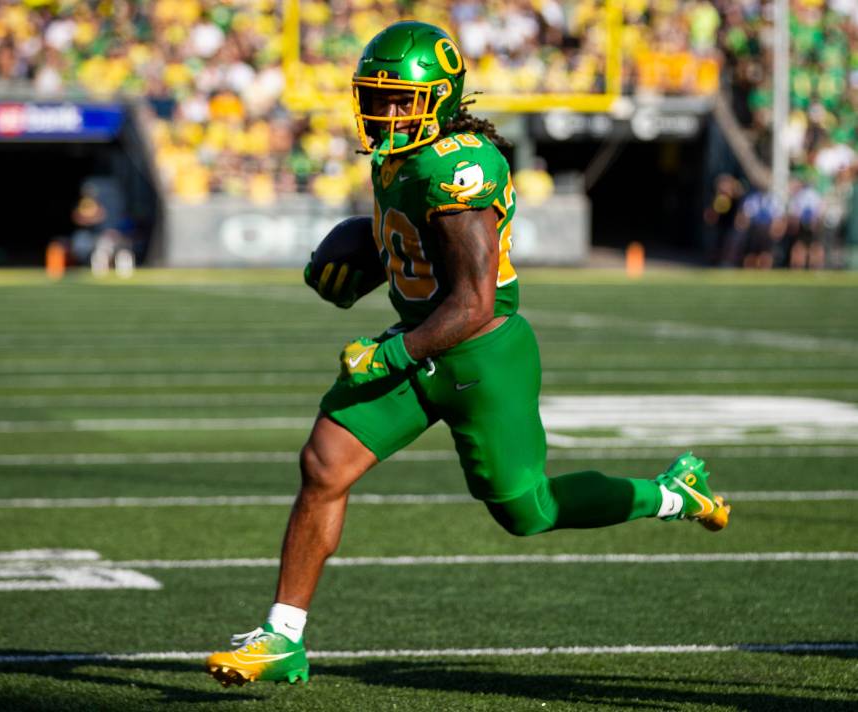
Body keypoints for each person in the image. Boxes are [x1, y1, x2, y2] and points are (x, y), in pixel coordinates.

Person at [206, 21, 731, 688]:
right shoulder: (399, 156)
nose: (384, 111)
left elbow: (474, 302)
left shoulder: (456, 167)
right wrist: (366, 249)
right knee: (324, 465)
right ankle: (283, 637)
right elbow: (416, 246)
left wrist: (391, 356)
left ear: (438, 99)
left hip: (481, 355)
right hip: (422, 339)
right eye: (376, 96)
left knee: (528, 511)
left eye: (399, 99)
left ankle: (673, 493)